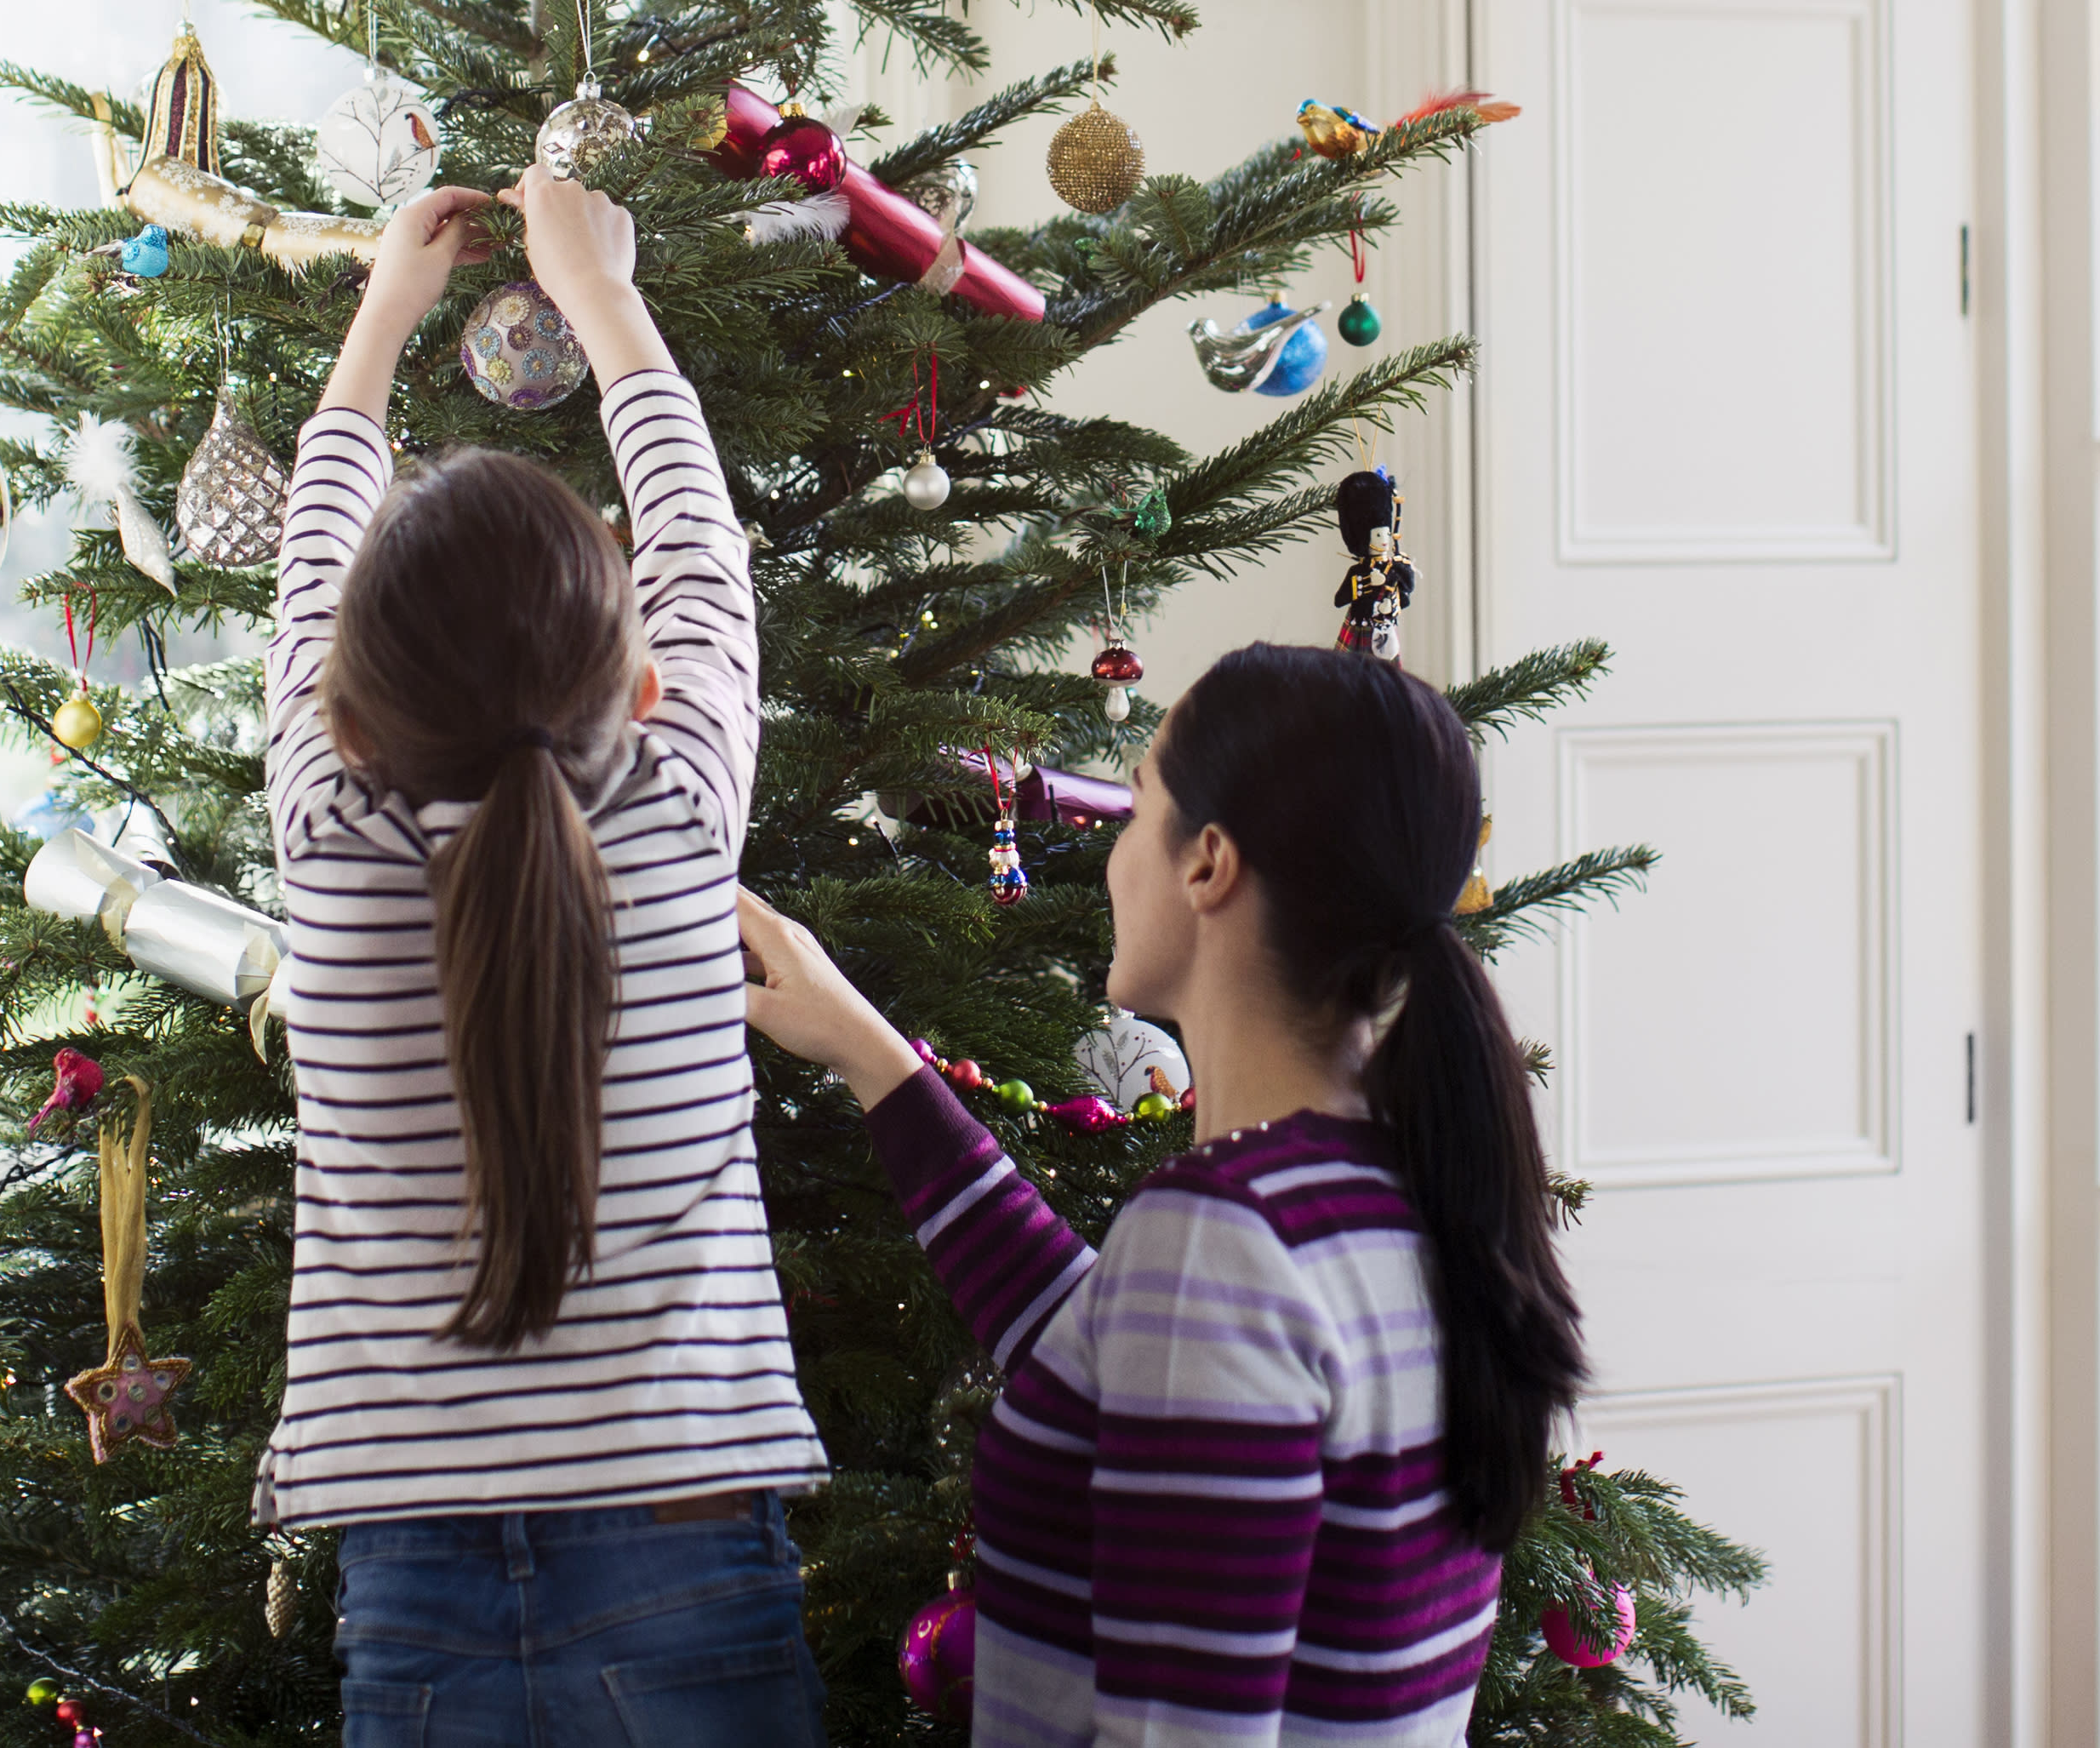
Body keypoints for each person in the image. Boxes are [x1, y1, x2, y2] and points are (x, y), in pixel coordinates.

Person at [741, 644, 1587, 1745]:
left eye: (1137, 805)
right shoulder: (1394, 1189)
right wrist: (869, 1055)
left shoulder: (1225, 1234)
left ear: (1208, 865)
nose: (1106, 854)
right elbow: (1090, 1341)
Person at [260, 169, 825, 1747]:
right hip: (691, 1549)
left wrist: (383, 316)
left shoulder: (328, 843)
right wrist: (602, 296)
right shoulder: (682, 809)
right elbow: (708, 559)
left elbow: (308, 577)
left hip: (413, 1575)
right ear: (642, 687)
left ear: (348, 720)